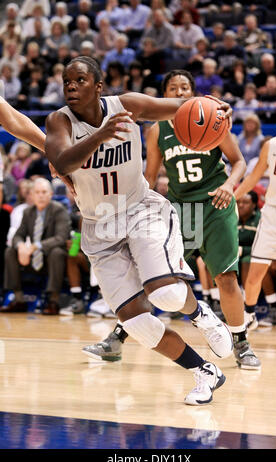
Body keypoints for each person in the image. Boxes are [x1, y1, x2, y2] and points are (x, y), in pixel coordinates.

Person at [45, 56, 234, 406]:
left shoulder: (126, 106)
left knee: (165, 294)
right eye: (67, 81)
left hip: (140, 210)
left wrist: (211, 105)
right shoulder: (59, 121)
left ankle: (202, 316)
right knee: (136, 323)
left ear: (99, 86)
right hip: (98, 227)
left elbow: (178, 106)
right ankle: (205, 371)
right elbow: (61, 162)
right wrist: (101, 136)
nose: (71, 86)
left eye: (80, 80)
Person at [88, 68, 261, 370]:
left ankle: (241, 341)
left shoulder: (213, 117)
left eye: (185, 88)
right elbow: (151, 177)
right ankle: (118, 336)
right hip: (182, 210)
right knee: (158, 276)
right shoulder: (157, 129)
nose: (179, 93)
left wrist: (228, 185)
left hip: (215, 205)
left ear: (193, 93)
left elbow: (238, 161)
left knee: (226, 277)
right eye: (173, 88)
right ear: (165, 95)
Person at [234, 106, 276, 328]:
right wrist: (233, 196)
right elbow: (253, 177)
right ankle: (249, 314)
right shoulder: (271, 146)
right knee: (255, 274)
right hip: (273, 213)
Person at [0, 177, 71, 315]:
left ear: (51, 194)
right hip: (31, 259)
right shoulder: (28, 212)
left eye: (44, 192)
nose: (41, 195)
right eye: (37, 192)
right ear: (32, 195)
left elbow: (61, 238)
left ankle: (53, 301)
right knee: (10, 251)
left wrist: (35, 246)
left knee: (57, 252)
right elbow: (17, 236)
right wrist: (21, 246)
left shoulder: (59, 210)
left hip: (50, 258)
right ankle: (18, 299)